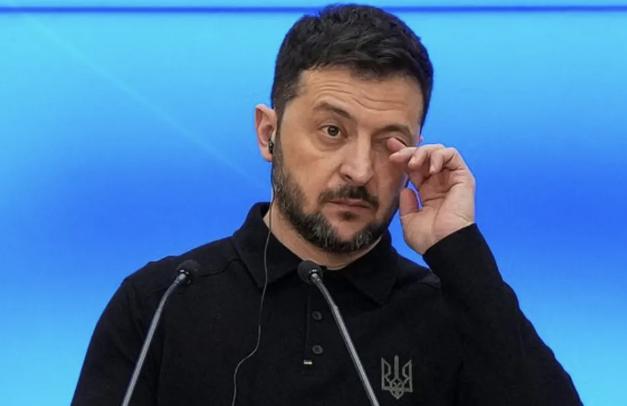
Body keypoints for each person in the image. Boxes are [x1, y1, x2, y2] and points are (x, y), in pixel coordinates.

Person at [72, 4, 582, 405]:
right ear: (268, 134)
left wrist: (459, 251)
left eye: (389, 142)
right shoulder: (162, 300)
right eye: (332, 131)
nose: (360, 170)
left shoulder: (453, 312)